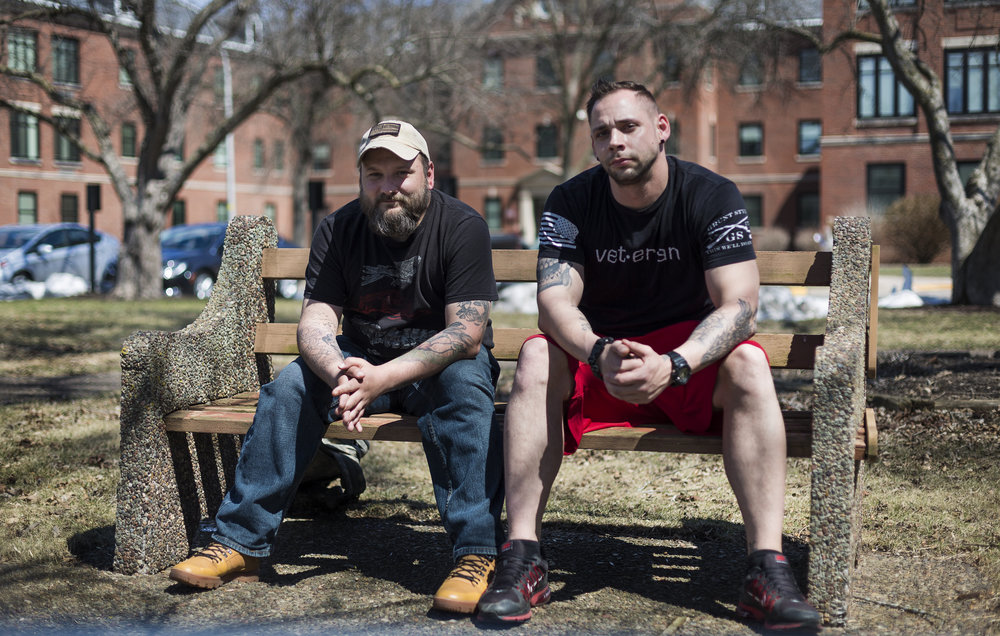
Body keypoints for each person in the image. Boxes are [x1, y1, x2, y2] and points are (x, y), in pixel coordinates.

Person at [476, 80, 822, 631]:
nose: (615, 141)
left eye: (628, 126)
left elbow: (741, 306)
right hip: (605, 360)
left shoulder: (711, 194)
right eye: (602, 133)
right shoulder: (570, 201)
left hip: (688, 365)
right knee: (539, 355)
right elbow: (554, 301)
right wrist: (597, 350)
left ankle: (766, 570)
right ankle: (523, 558)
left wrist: (676, 363)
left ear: (662, 128)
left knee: (751, 360)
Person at [170, 120, 505, 615]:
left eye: (401, 172)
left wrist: (380, 379)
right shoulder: (339, 227)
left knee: (463, 383)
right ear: (361, 178)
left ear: (429, 173)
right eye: (375, 174)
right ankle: (239, 544)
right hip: (360, 360)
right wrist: (339, 373)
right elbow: (316, 322)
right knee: (288, 386)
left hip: (439, 366)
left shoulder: (463, 226)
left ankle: (476, 554)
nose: (388, 186)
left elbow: (465, 333)